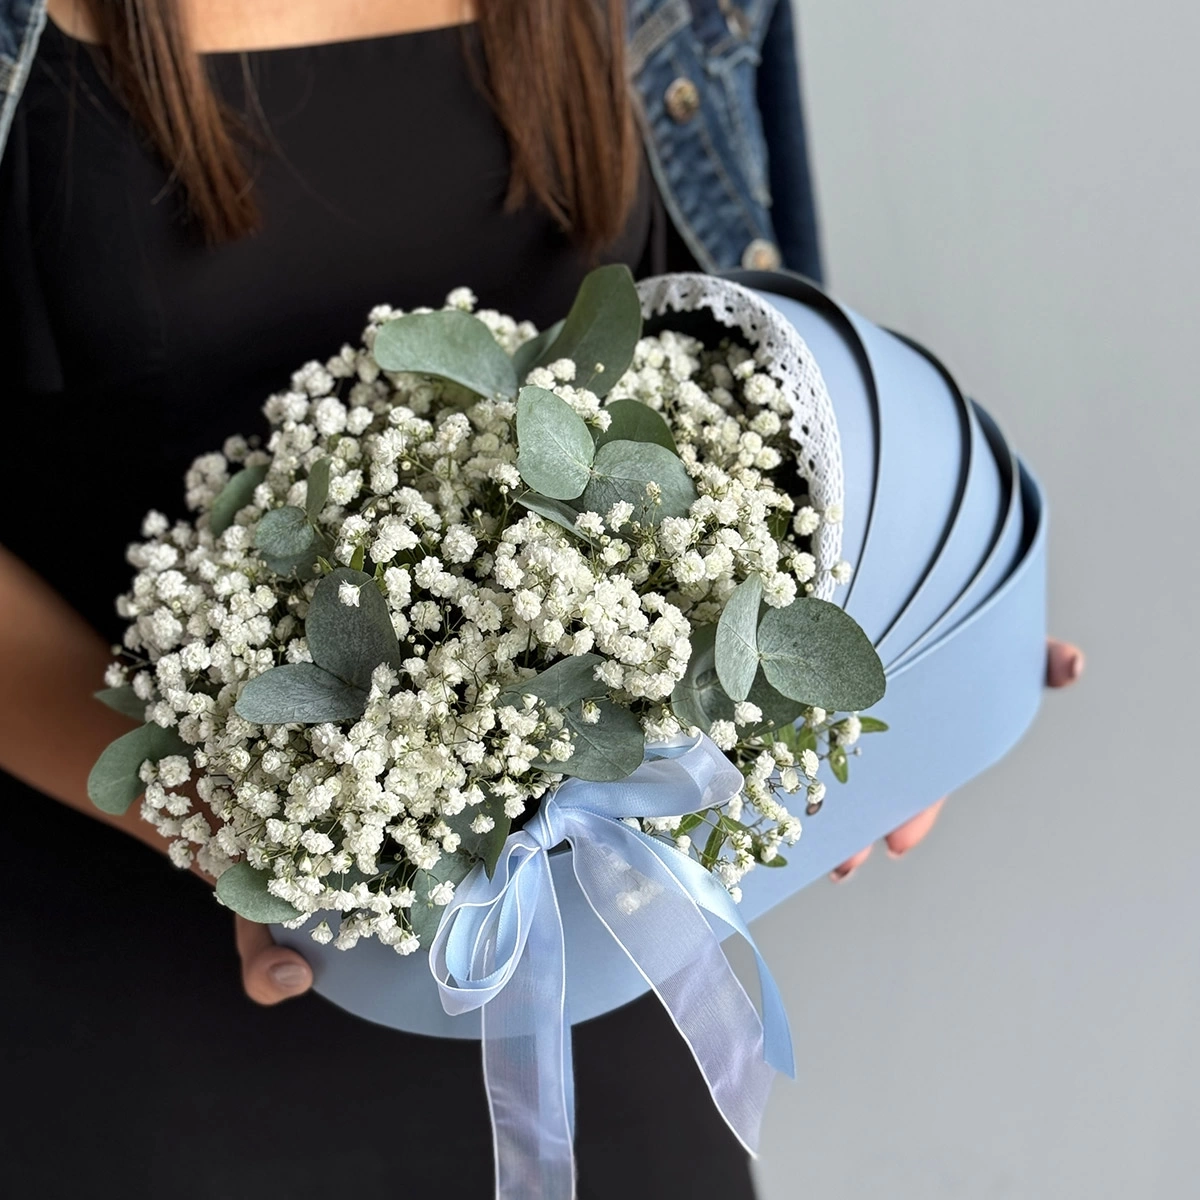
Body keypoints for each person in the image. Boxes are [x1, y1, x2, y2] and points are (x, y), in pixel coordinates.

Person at [0, 1, 1083, 1196]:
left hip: (596, 949)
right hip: (137, 970)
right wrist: (239, 821)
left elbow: (754, 365)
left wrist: (912, 639)